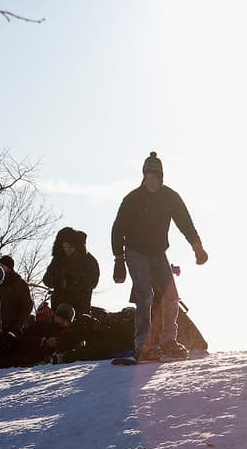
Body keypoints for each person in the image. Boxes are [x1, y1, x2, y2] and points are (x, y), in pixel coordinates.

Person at [111, 151, 208, 361]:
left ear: (161, 177)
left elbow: (185, 223)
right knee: (145, 295)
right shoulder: (133, 199)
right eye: (148, 176)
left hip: (158, 253)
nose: (151, 180)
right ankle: (143, 345)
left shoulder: (170, 197)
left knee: (171, 296)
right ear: (143, 176)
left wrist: (197, 248)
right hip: (135, 251)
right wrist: (118, 259)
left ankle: (168, 341)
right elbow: (118, 229)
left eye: (155, 176)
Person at [43, 228, 100, 316]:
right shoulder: (58, 260)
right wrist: (59, 281)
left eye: (70, 247)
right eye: (65, 246)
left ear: (76, 246)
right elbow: (46, 279)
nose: (67, 249)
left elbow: (93, 282)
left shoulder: (89, 261)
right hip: (59, 304)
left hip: (80, 305)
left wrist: (75, 281)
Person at [0, 254, 34, 336]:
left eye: (2, 266)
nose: (0, 268)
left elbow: (27, 306)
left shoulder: (19, 284)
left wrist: (17, 328)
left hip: (12, 330)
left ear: (9, 268)